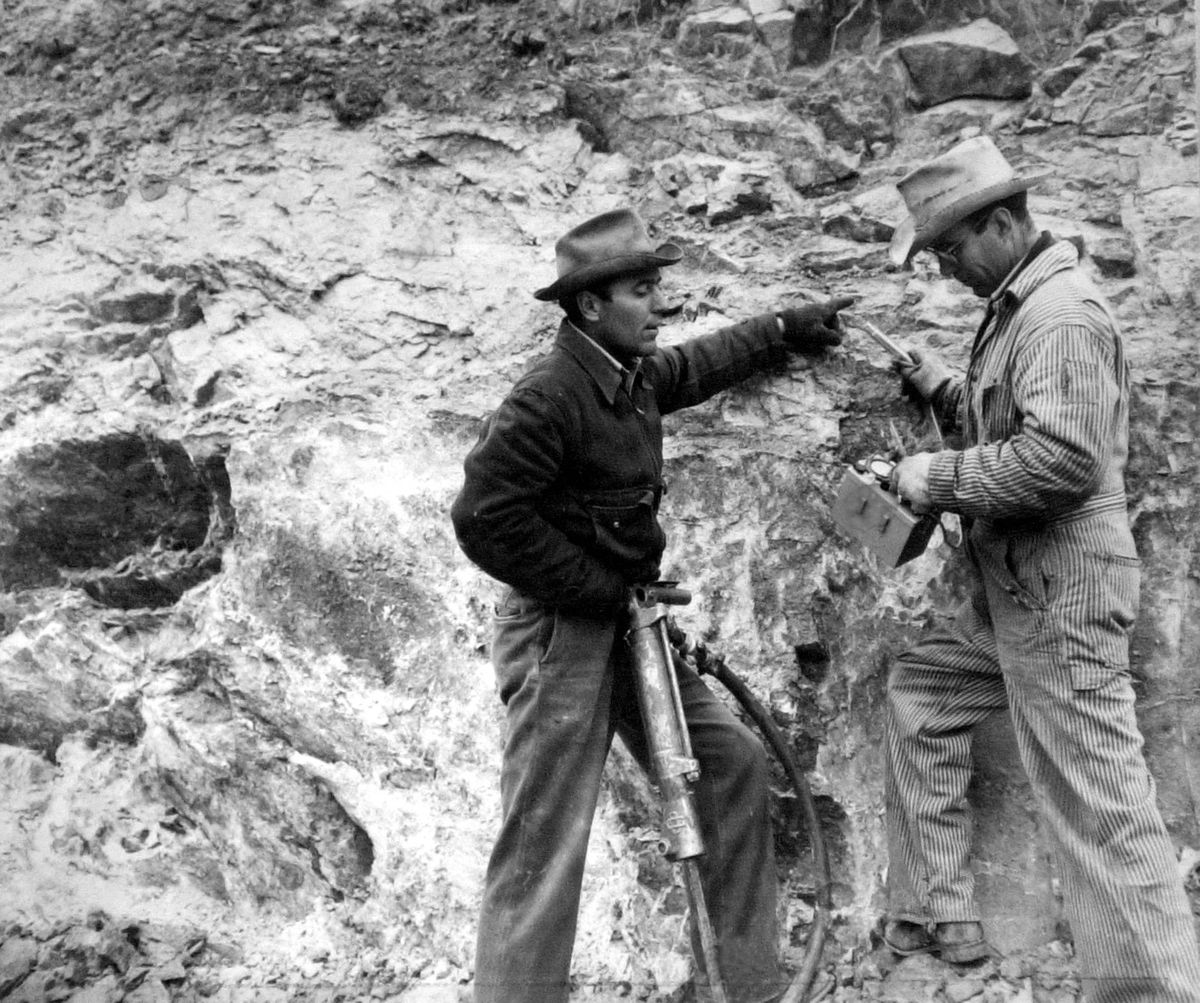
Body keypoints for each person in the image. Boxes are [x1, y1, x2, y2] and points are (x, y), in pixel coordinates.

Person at [451, 207, 852, 1003]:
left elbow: (697, 366)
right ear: (591, 305)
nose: (661, 305)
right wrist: (602, 591)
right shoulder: (550, 395)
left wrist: (783, 327)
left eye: (657, 287)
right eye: (644, 290)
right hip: (562, 635)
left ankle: (739, 986)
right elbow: (483, 518)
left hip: (631, 628)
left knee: (730, 763)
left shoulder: (628, 377)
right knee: (546, 832)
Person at [880, 135, 1200, 999]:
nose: (948, 271)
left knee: (1102, 814)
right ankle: (933, 912)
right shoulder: (1021, 307)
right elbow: (1016, 414)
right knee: (927, 691)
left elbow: (1057, 461)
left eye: (952, 250)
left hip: (1058, 597)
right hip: (1021, 593)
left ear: (1005, 220)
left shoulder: (1057, 314)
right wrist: (944, 385)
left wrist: (931, 477)